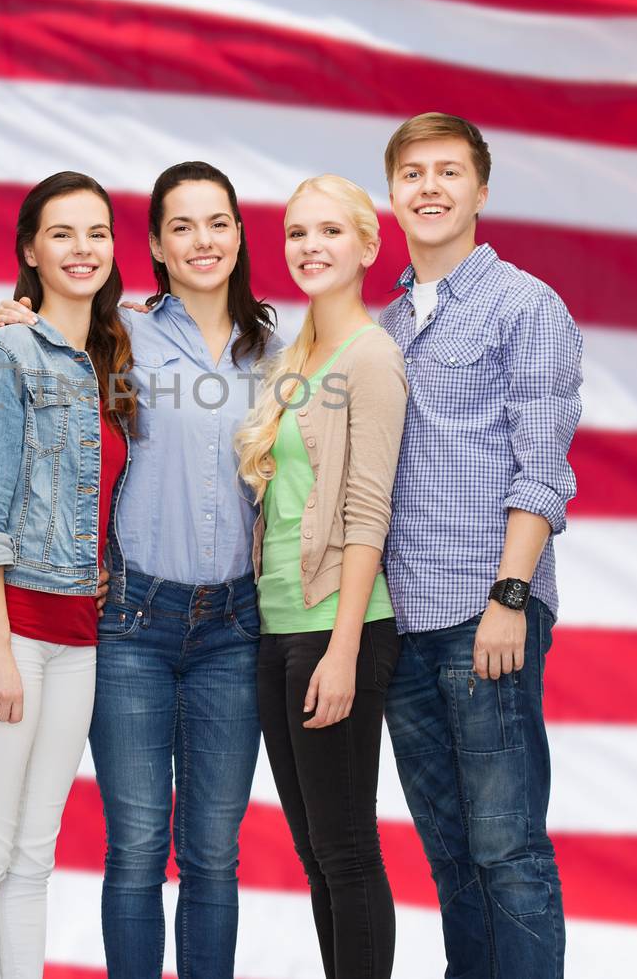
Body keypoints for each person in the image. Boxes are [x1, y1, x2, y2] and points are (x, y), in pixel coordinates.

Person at [0, 160, 279, 979]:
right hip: (132, 625)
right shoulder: (114, 332)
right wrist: (9, 316)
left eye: (217, 222)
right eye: (181, 225)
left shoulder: (278, 353)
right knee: (138, 848)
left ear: (236, 234)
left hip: (236, 625)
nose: (202, 241)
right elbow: (34, 344)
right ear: (153, 243)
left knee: (214, 854)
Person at [377, 112, 582, 979]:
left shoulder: (526, 306)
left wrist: (509, 599)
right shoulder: (380, 327)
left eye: (448, 172)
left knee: (509, 853)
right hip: (402, 622)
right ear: (392, 194)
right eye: (413, 174)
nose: (430, 188)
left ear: (481, 191)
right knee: (452, 858)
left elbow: (543, 469)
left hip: (485, 612)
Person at [0, 171, 135, 979]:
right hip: (6, 628)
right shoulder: (5, 354)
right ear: (30, 251)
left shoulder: (107, 364)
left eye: (96, 232)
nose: (82, 249)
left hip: (78, 638)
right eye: (62, 233)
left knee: (31, 855)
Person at [236, 174, 408, 979]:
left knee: (345, 850)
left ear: (368, 247)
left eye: (331, 232)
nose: (311, 247)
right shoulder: (293, 356)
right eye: (298, 234)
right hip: (276, 631)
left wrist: (342, 651)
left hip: (338, 629)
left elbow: (369, 512)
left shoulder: (372, 358)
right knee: (314, 851)